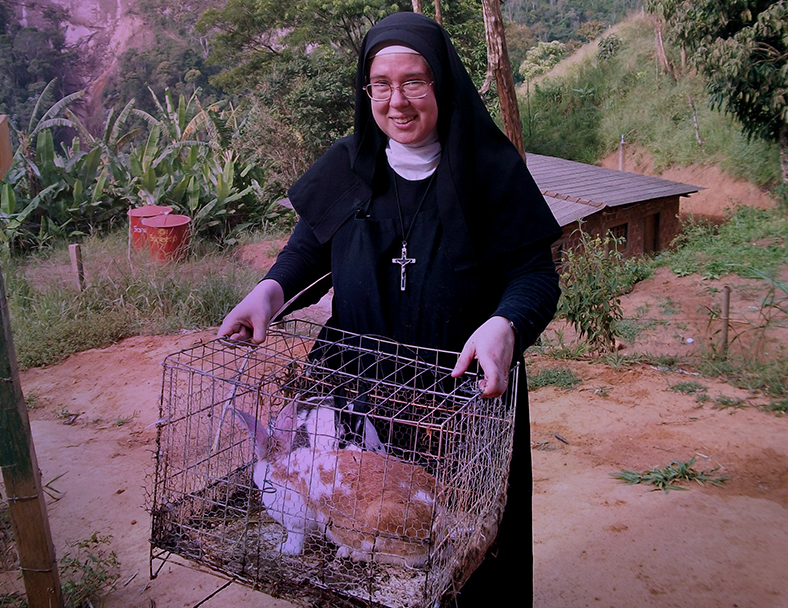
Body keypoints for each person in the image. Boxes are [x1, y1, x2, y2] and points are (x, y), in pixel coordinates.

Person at [218, 11, 561, 606]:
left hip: (458, 399)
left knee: (462, 556)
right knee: (348, 549)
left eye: (414, 82)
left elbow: (533, 276)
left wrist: (505, 324)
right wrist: (267, 292)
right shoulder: (347, 164)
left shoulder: (491, 171)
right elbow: (305, 250)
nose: (396, 101)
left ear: (442, 86)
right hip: (354, 386)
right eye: (381, 84)